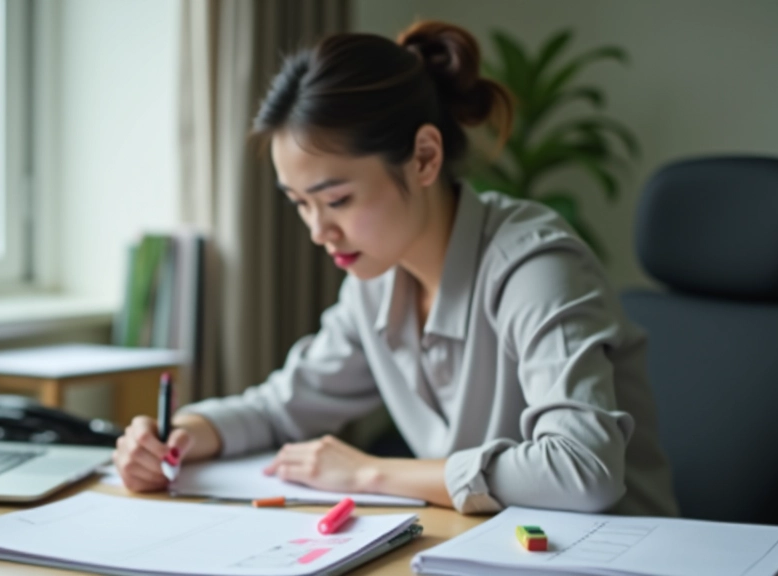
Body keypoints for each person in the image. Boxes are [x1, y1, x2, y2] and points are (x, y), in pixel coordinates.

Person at [112, 20, 678, 516]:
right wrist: (181, 436)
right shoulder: (376, 282)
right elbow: (280, 407)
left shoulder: (535, 266)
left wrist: (368, 474)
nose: (318, 230)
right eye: (300, 204)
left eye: (337, 200)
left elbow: (583, 469)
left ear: (424, 158)